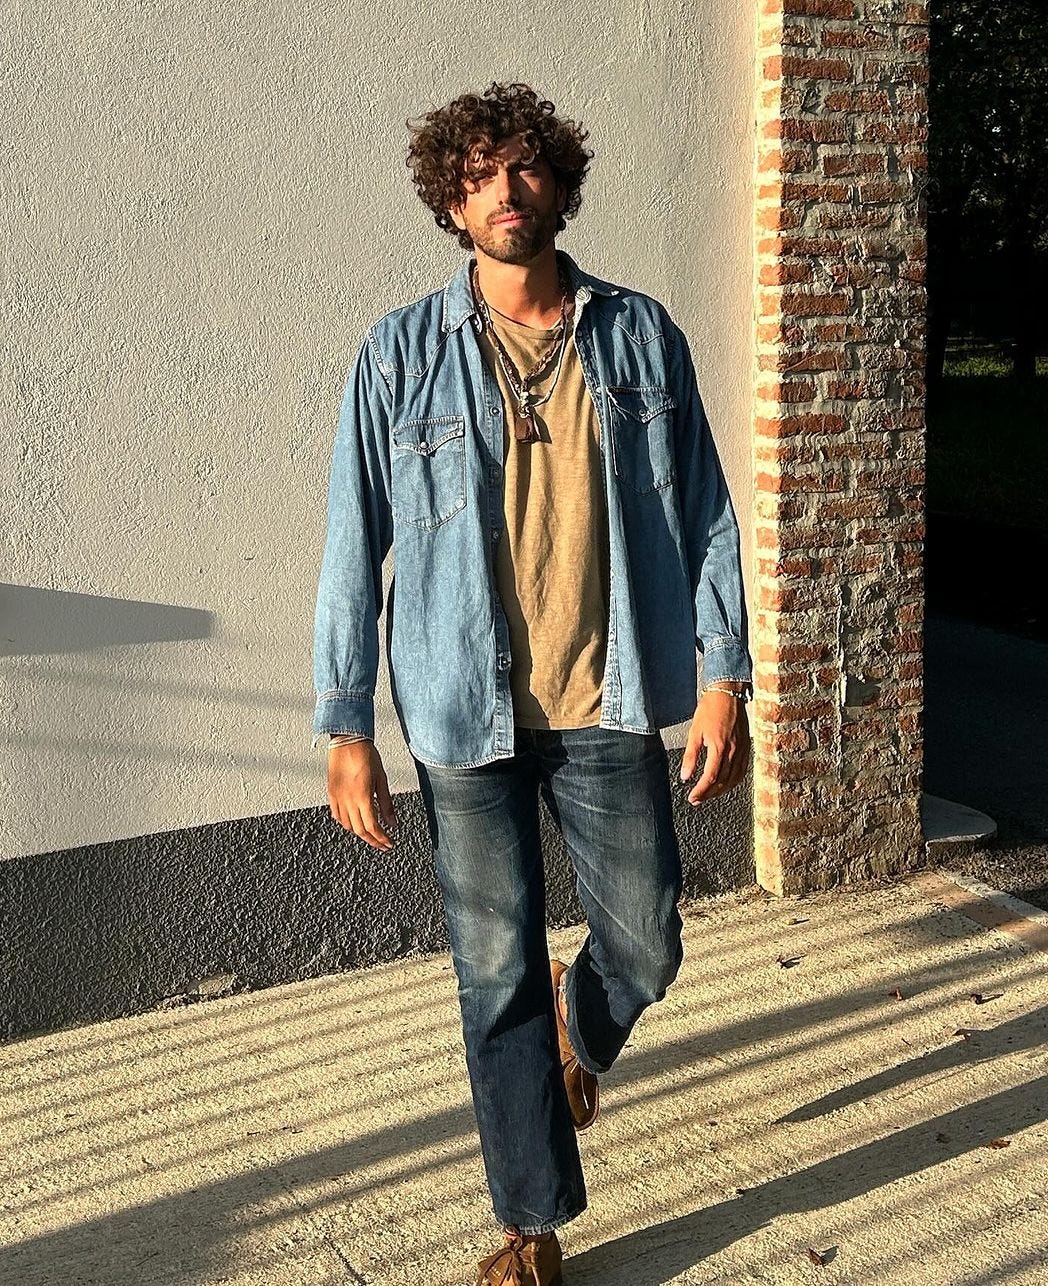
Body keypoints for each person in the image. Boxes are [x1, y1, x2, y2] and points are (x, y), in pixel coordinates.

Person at [312, 81, 753, 1286]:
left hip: (609, 695)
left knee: (646, 941)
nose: (506, 191)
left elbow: (709, 513)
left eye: (525, 166)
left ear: (558, 182)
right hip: (464, 712)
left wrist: (726, 676)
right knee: (493, 970)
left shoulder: (641, 336)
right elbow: (354, 540)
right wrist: (345, 722)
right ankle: (531, 1221)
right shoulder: (398, 354)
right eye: (479, 175)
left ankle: (584, 1029)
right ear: (452, 204)